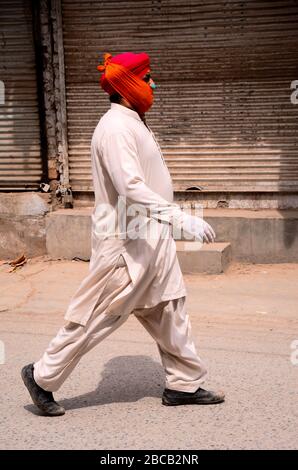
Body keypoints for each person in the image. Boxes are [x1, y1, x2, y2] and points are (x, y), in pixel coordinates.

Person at [21, 52, 225, 416]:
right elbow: (130, 187)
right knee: (99, 315)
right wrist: (181, 218)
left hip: (153, 237)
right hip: (126, 242)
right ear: (130, 84)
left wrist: (169, 224)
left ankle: (183, 384)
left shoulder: (134, 121)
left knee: (170, 307)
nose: (153, 85)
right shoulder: (115, 128)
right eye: (148, 79)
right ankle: (42, 376)